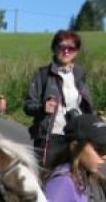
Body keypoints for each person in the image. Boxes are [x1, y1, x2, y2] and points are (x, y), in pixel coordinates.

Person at [24, 29, 93, 168]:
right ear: (54, 48)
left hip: (75, 139)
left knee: (73, 181)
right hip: (50, 139)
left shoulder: (80, 75)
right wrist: (42, 108)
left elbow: (87, 107)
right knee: (46, 180)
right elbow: (28, 105)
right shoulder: (43, 74)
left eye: (71, 48)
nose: (66, 51)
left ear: (76, 51)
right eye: (62, 47)